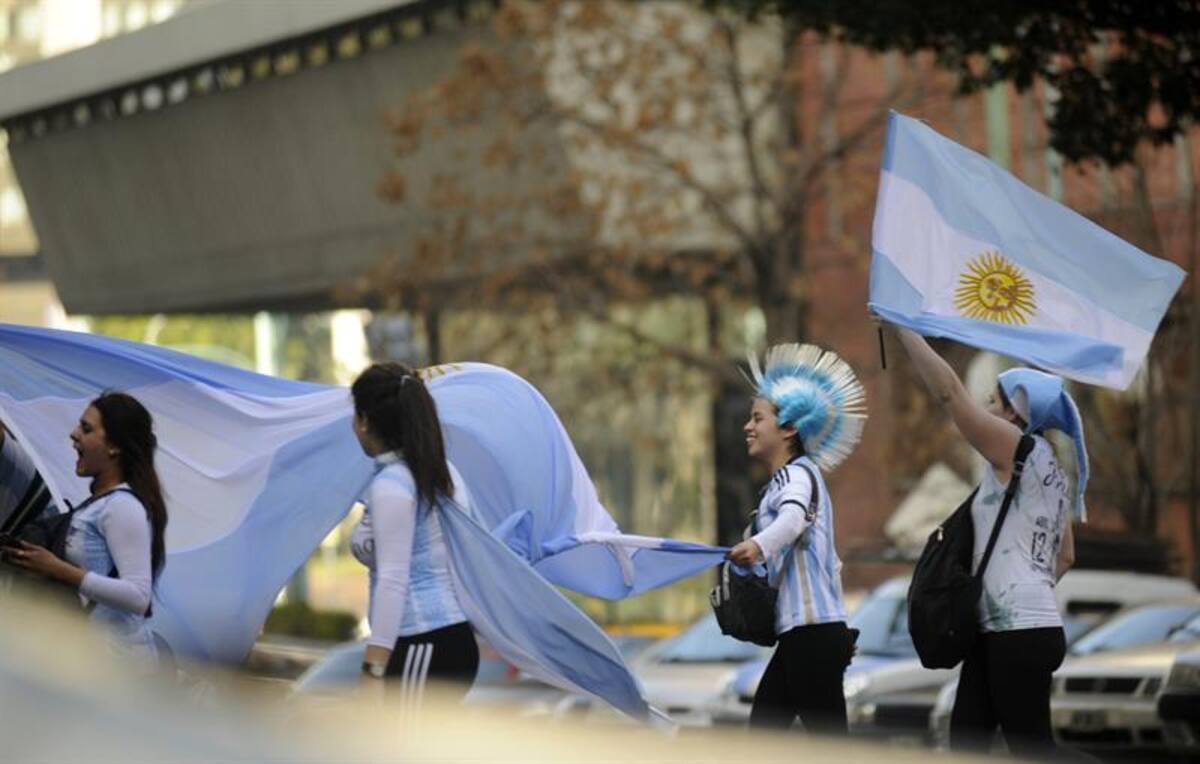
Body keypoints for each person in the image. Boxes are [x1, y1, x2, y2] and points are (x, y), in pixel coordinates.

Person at [885, 323, 1082, 759]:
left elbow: (950, 394)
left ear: (1014, 414)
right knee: (968, 743)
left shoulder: (1015, 448)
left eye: (992, 402)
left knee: (1033, 750)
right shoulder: (1051, 469)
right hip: (1012, 629)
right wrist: (1026, 595)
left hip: (1016, 633)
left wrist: (903, 331)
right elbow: (1065, 555)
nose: (984, 409)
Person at [728, 343, 867, 734]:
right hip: (802, 635)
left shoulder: (796, 475)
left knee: (825, 745)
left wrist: (756, 546)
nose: (747, 427)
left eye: (758, 418)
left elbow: (791, 521)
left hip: (813, 633)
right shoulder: (786, 480)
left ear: (789, 428)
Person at [4, 393, 168, 669]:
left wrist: (58, 569)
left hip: (121, 666)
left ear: (114, 446)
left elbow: (139, 597)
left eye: (87, 429)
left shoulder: (122, 507)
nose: (73, 434)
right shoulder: (100, 504)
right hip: (93, 660)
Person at [350, 363, 479, 704]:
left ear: (364, 421)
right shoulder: (438, 472)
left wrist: (373, 668)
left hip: (421, 638)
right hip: (445, 637)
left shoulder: (392, 484)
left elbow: (394, 577)